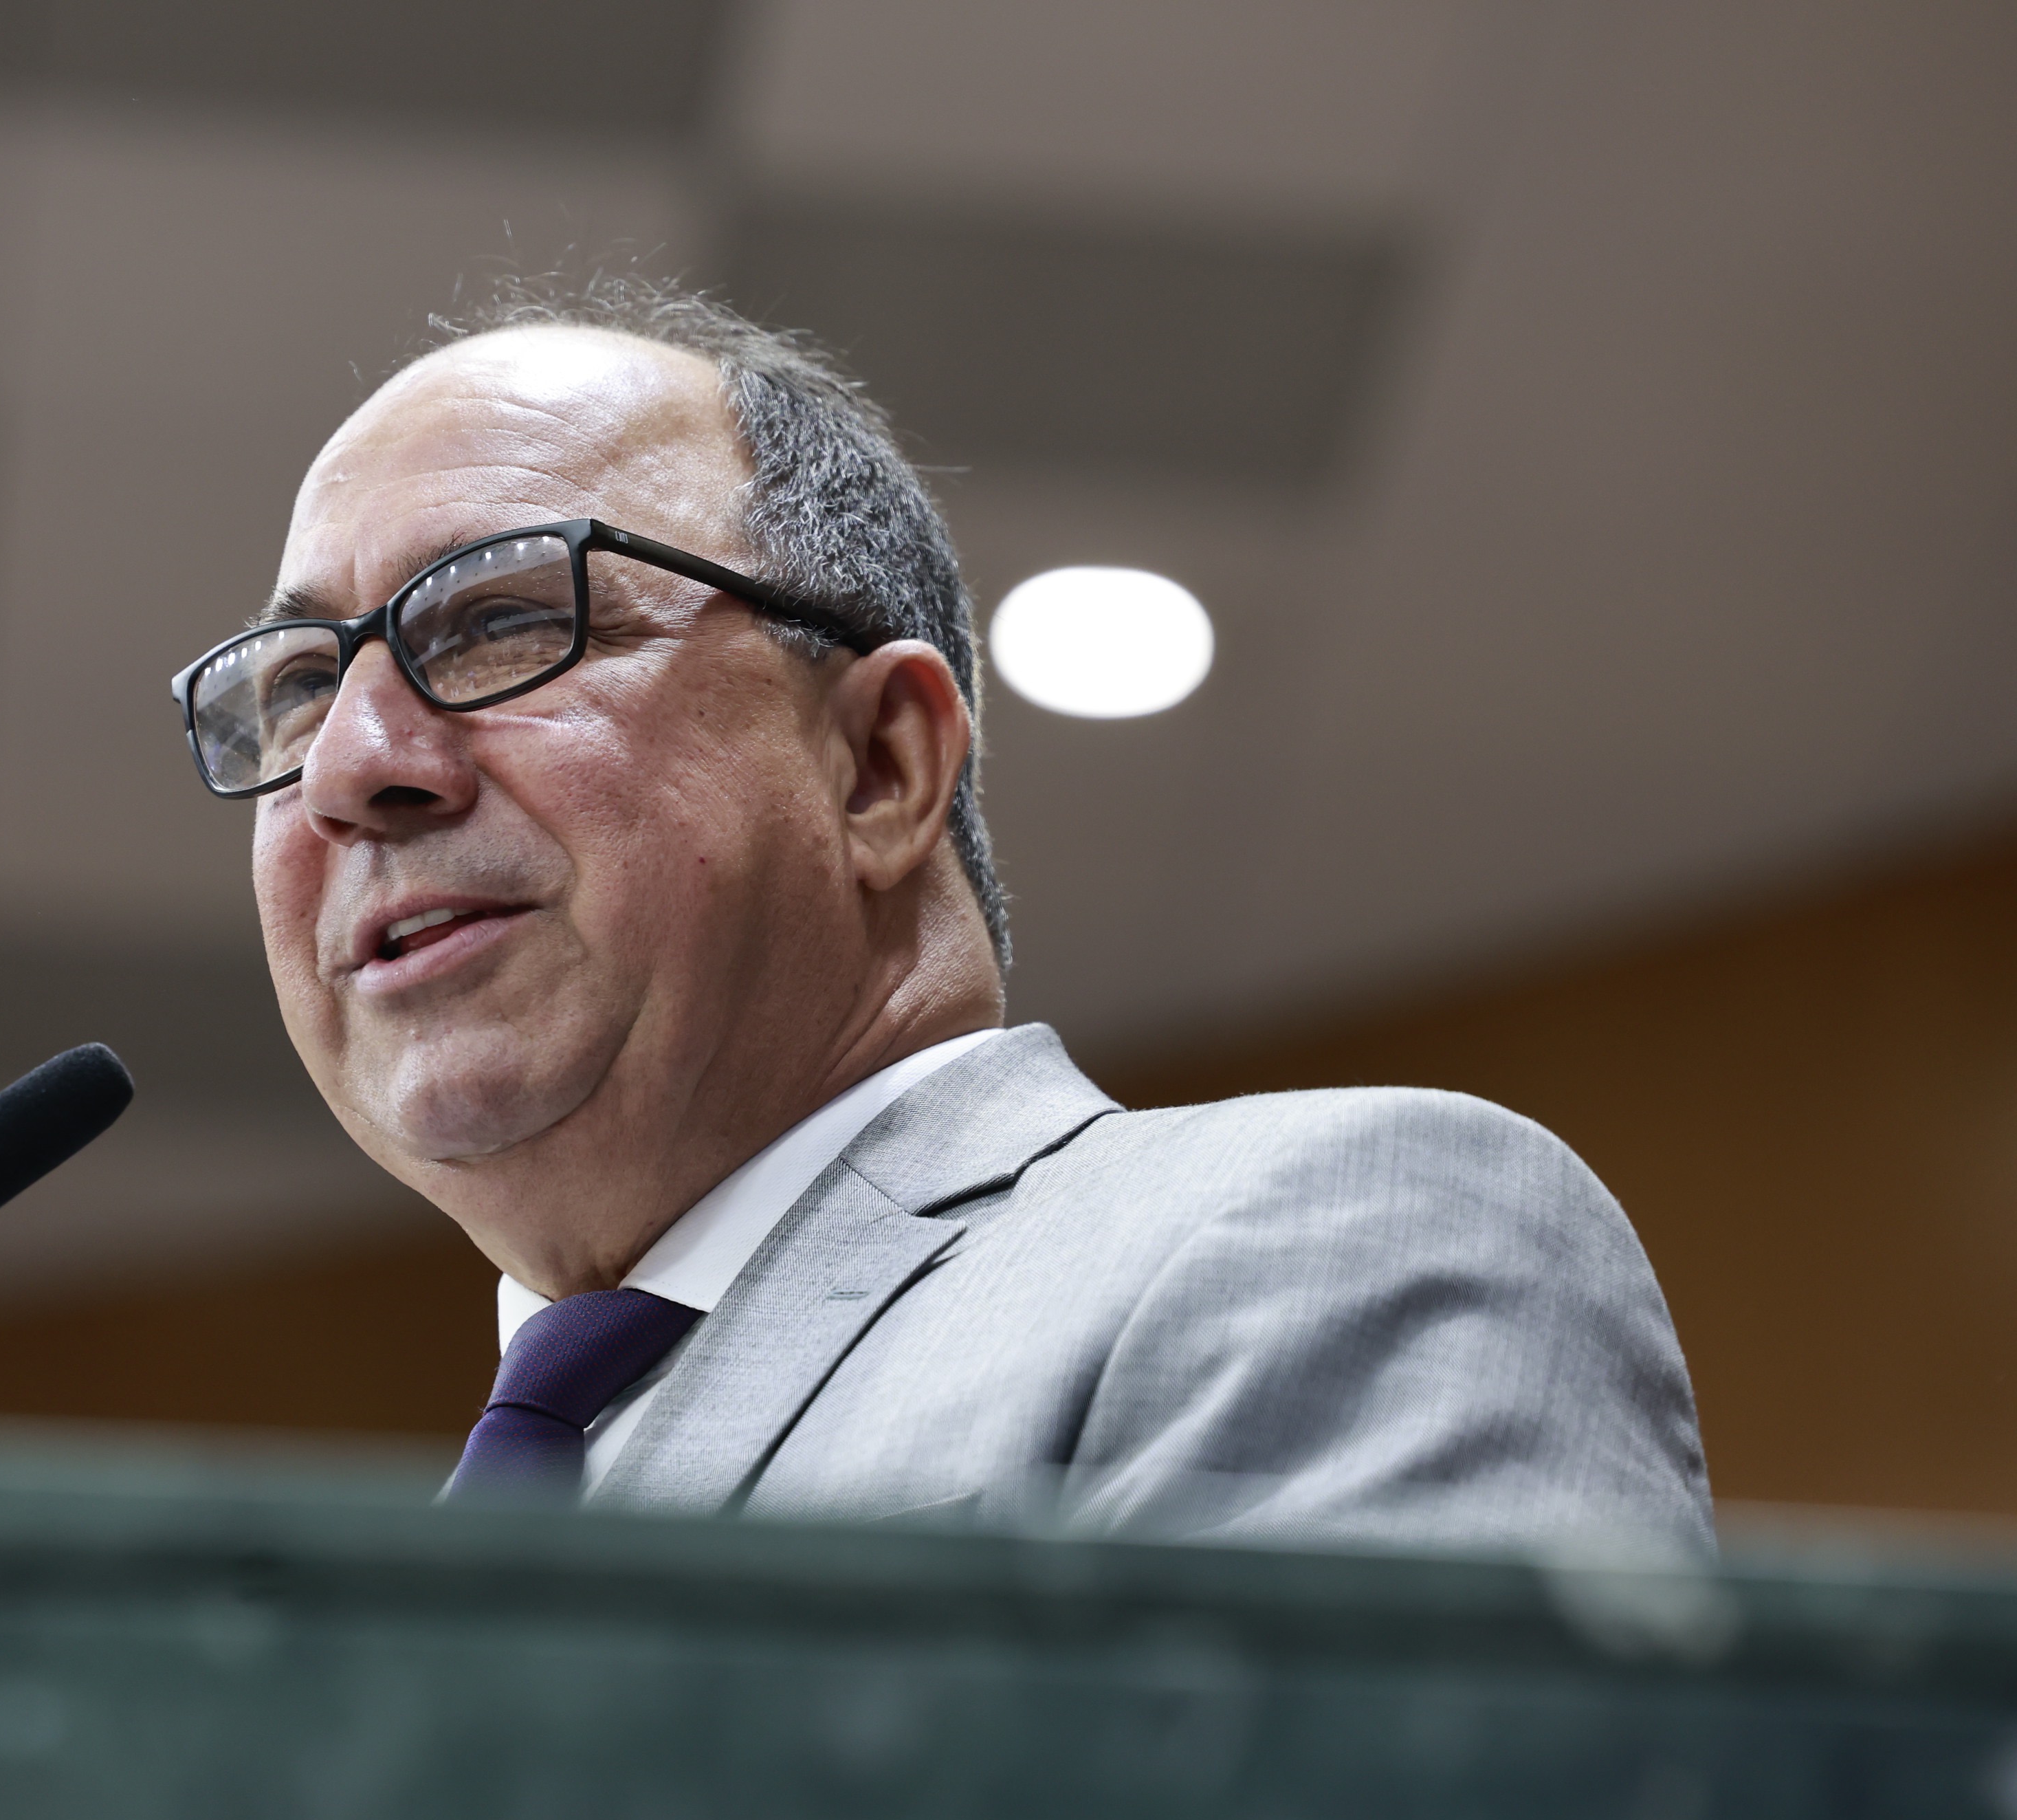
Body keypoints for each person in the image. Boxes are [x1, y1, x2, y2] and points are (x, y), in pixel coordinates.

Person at [170, 278, 1712, 1555]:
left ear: (878, 765)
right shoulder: (371, 1579)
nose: (350, 768)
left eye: (504, 619)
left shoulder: (1330, 1242)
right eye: (300, 687)